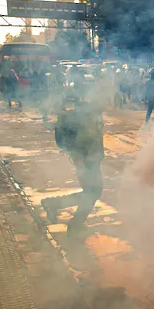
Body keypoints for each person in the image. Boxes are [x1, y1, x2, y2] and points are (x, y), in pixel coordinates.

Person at [41, 96, 104, 238]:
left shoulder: (91, 114)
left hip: (92, 160)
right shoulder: (83, 117)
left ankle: (56, 206)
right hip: (86, 162)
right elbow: (77, 143)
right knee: (92, 192)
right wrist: (79, 160)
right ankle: (71, 221)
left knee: (91, 192)